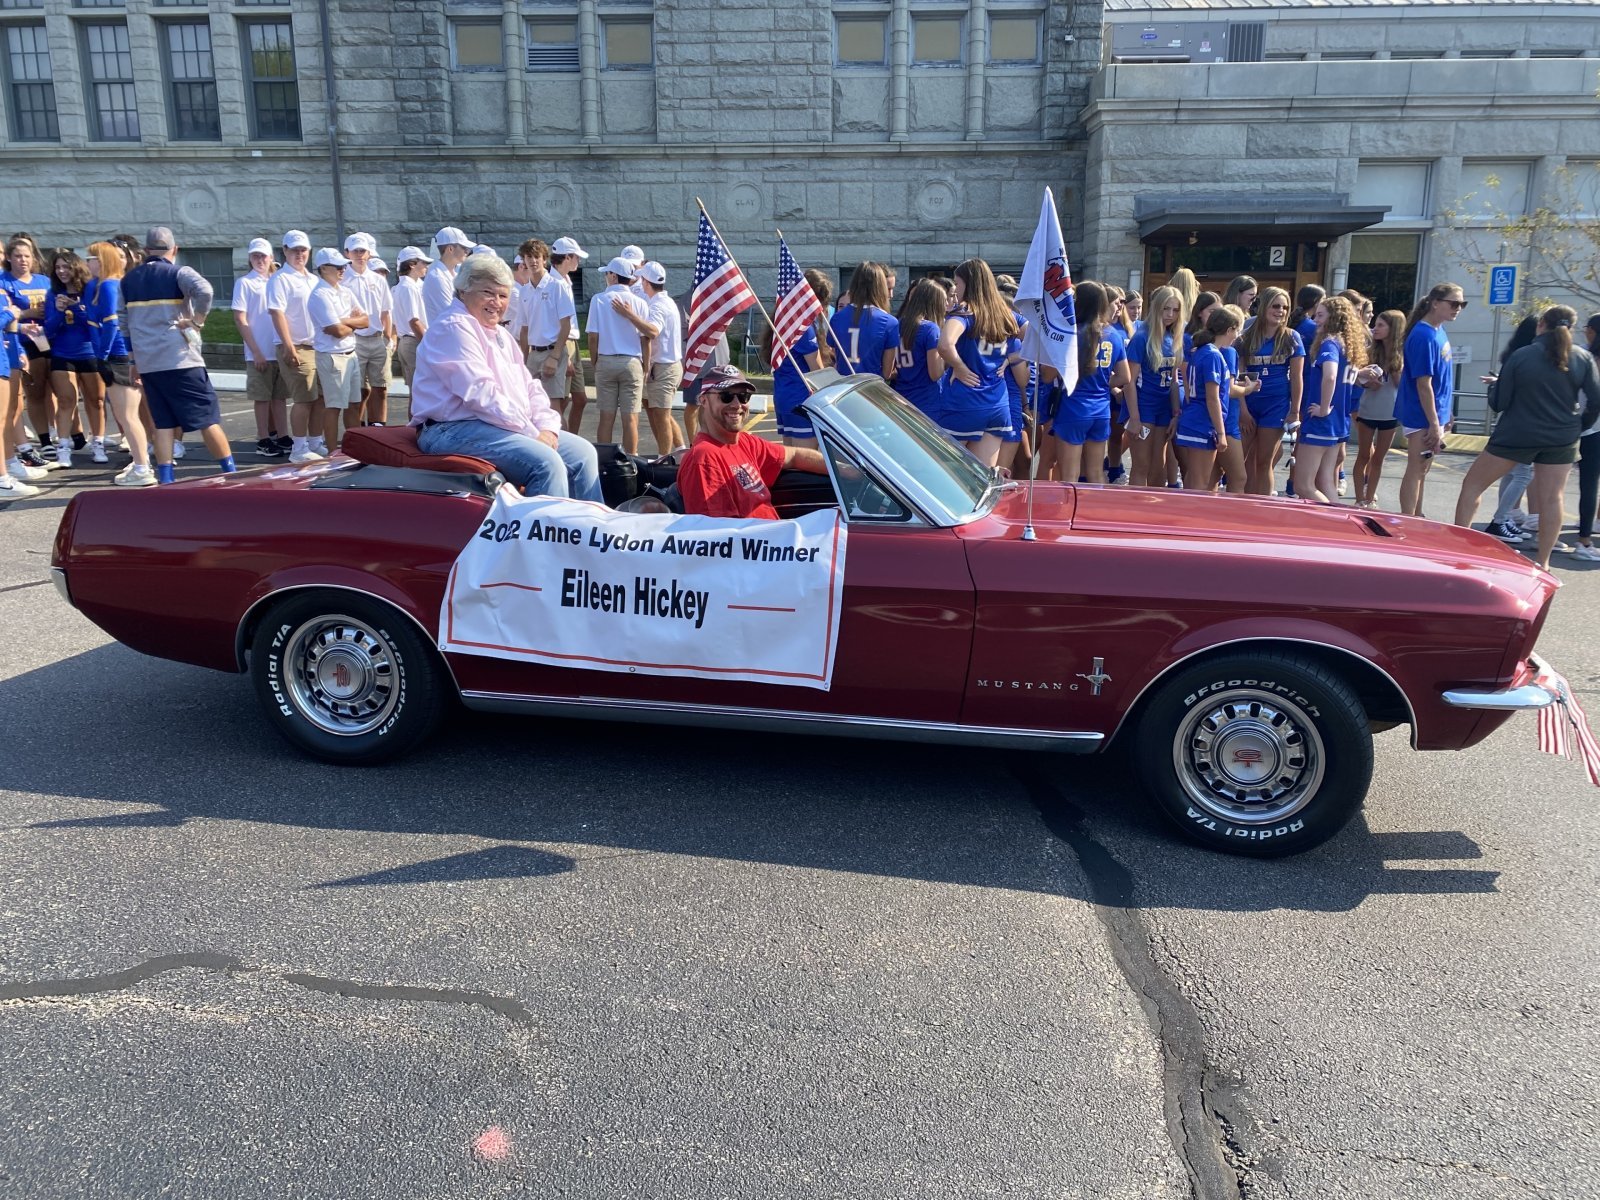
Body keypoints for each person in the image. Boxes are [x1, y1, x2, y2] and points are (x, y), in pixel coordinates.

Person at [411, 253, 599, 501]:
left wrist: (548, 428)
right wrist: (532, 433)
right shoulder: (454, 327)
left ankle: (586, 524)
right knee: (546, 463)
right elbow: (480, 394)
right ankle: (544, 527)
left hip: (494, 424)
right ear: (463, 291)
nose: (497, 302)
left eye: (503, 295)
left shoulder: (499, 333)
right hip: (450, 428)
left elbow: (530, 387)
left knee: (584, 453)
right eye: (488, 293)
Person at [1454, 306, 1600, 570]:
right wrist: (1579, 426)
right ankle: (1543, 562)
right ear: (1572, 327)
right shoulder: (1582, 357)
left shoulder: (1522, 355)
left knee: (1473, 485)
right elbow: (1595, 400)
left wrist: (1494, 387)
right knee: (1553, 498)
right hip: (1562, 437)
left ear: (1541, 324)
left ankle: (1460, 550)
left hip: (1516, 434)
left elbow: (1500, 402)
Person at [120, 226, 235, 484]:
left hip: (148, 362)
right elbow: (205, 291)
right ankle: (231, 473)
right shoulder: (179, 272)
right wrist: (197, 321)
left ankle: (166, 479)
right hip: (181, 358)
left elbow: (123, 321)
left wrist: (133, 360)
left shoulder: (128, 280)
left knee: (163, 423)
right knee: (207, 419)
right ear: (175, 249)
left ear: (146, 250)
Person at [677, 365, 826, 520]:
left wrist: (840, 470)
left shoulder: (745, 442)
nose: (737, 404)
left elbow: (794, 455)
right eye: (726, 396)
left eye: (743, 396)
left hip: (776, 532)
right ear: (704, 400)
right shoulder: (704, 459)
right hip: (763, 535)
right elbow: (719, 531)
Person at [934, 258, 1018, 469]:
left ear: (969, 283)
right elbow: (1039, 343)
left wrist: (959, 367)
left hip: (965, 402)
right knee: (982, 477)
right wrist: (1009, 360)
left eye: (957, 283)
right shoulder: (1006, 314)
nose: (955, 289)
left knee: (948, 474)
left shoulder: (964, 313)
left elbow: (944, 344)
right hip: (997, 404)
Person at [84, 240, 153, 486]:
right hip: (119, 355)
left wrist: (102, 355)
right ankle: (141, 462)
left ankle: (142, 468)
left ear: (102, 261)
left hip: (117, 356)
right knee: (129, 415)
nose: (88, 263)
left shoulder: (109, 286)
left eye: (92, 259)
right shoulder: (104, 285)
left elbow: (112, 323)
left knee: (128, 416)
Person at [1396, 281, 1466, 517]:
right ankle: (1408, 518)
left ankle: (1417, 515)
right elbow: (1423, 384)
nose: (1458, 308)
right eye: (1454, 303)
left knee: (1423, 468)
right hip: (1421, 413)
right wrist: (1434, 423)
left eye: (1462, 304)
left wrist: (1446, 413)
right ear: (1435, 303)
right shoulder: (1423, 335)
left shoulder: (1438, 331)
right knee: (1416, 467)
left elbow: (1442, 380)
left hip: (1435, 412)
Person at [1054, 280, 1131, 485]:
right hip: (1101, 409)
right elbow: (1124, 377)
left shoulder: (1071, 334)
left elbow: (1047, 374)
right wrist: (1103, 382)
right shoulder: (1113, 334)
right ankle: (1096, 506)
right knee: (1096, 473)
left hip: (1073, 407)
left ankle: (1070, 507)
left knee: (1069, 476)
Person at [1294, 295, 1367, 505]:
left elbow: (1331, 375)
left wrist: (1324, 407)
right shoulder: (1348, 345)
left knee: (1303, 485)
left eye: (1320, 315)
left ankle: (1336, 519)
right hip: (1339, 421)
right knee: (1325, 481)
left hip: (1322, 422)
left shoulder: (1330, 343)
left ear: (1334, 317)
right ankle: (1340, 518)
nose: (1315, 320)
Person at [1236, 286, 1303, 496]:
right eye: (1275, 306)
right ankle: (1241, 504)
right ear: (1264, 306)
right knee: (1240, 461)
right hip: (1249, 405)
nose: (1280, 311)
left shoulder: (1292, 337)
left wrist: (1295, 411)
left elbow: (1297, 377)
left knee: (1264, 461)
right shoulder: (1245, 337)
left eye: (1285, 307)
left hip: (1276, 406)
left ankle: (1262, 506)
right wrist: (1243, 410)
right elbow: (1238, 377)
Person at [265, 229, 324, 461]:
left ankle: (315, 442)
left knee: (320, 398)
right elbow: (277, 313)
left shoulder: (313, 279)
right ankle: (298, 448)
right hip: (296, 346)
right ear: (285, 251)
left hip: (317, 346)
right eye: (294, 250)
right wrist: (288, 347)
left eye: (303, 250)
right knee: (304, 398)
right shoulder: (280, 279)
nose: (299, 254)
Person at [586, 256, 651, 454]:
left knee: (606, 417)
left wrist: (595, 361)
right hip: (631, 361)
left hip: (606, 360)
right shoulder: (640, 302)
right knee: (630, 418)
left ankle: (605, 461)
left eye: (607, 273)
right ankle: (631, 461)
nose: (606, 276)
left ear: (613, 276)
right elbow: (645, 339)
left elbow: (593, 337)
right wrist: (646, 366)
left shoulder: (598, 299)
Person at [306, 247, 368, 452]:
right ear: (323, 268)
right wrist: (351, 322)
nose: (343, 270)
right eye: (338, 266)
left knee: (353, 404)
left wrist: (344, 320)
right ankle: (332, 452)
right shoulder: (319, 295)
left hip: (350, 353)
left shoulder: (345, 291)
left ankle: (354, 450)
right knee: (333, 407)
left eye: (344, 266)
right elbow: (337, 331)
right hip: (332, 356)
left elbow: (366, 320)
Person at [1176, 305, 1244, 492]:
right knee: (1200, 483)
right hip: (1202, 422)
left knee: (1194, 479)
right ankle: (1191, 512)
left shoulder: (1201, 351)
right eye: (1236, 331)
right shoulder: (1212, 355)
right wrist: (1221, 433)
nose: (1237, 336)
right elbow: (1212, 398)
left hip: (1195, 418)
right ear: (1229, 330)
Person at [231, 237, 289, 458]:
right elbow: (240, 318)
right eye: (255, 256)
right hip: (259, 349)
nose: (259, 260)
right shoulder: (245, 283)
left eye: (263, 256)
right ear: (250, 258)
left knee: (280, 397)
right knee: (262, 397)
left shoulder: (277, 281)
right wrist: (255, 351)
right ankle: (263, 438)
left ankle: (282, 435)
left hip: (278, 349)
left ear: (271, 257)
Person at [42, 250, 100, 468]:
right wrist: (58, 311)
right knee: (66, 400)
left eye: (66, 267)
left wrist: (76, 308)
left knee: (96, 400)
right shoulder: (53, 293)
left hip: (90, 352)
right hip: (62, 353)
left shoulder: (90, 290)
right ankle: (64, 447)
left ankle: (98, 443)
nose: (61, 271)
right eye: (58, 267)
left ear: (76, 268)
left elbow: (95, 324)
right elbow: (48, 330)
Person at [766, 267, 834, 448]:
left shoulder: (783, 322)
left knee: (790, 456)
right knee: (805, 459)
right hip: (801, 400)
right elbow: (818, 373)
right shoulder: (803, 329)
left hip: (783, 396)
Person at [1126, 284, 1186, 488]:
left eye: (1175, 310)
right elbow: (1129, 381)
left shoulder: (1174, 338)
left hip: (1164, 407)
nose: (1170, 314)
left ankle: (1154, 506)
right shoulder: (1141, 337)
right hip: (1143, 408)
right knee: (1141, 464)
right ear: (1156, 307)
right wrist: (1134, 418)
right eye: (1166, 308)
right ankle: (1135, 505)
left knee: (1158, 465)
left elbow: (1175, 380)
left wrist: (1176, 413)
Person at [1351, 309, 1406, 511]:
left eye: (1381, 325)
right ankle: (1359, 498)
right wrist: (1367, 383)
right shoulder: (1369, 351)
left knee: (1378, 458)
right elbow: (1356, 379)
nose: (1375, 328)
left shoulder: (1402, 355)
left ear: (1393, 329)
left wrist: (1396, 369)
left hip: (1390, 413)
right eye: (1375, 324)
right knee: (1364, 455)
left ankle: (1370, 496)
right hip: (1368, 410)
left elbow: (1402, 385)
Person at [342, 232, 394, 426]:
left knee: (380, 387)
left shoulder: (378, 279)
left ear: (369, 253)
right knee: (356, 392)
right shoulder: (342, 279)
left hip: (377, 338)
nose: (359, 255)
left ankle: (377, 428)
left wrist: (387, 338)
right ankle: (356, 432)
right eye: (355, 251)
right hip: (354, 340)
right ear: (347, 253)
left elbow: (386, 311)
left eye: (363, 251)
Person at [634, 261, 685, 455]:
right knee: (658, 412)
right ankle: (679, 450)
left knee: (661, 415)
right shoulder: (665, 301)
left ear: (646, 282)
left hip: (664, 368)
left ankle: (664, 458)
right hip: (665, 366)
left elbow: (653, 331)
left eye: (642, 279)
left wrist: (630, 315)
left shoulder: (658, 306)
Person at [829, 262, 898, 378]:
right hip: (871, 386)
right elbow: (887, 373)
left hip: (844, 384)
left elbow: (833, 355)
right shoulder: (890, 322)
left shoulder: (837, 318)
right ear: (880, 286)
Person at [547, 235, 587, 431]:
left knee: (580, 398)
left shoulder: (565, 280)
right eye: (576, 257)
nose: (578, 260)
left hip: (572, 343)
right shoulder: (553, 283)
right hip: (564, 343)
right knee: (561, 399)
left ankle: (573, 438)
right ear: (567, 257)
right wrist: (564, 355)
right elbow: (555, 322)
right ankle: (558, 436)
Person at [1570, 314, 1600, 560]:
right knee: (1589, 485)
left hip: (1583, 426)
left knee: (1587, 484)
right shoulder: (1585, 355)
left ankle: (1585, 539)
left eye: (1587, 328)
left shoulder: (1581, 356)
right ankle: (1585, 540)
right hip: (1591, 427)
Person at [391, 246, 431, 395]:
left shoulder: (402, 287)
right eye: (423, 262)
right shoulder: (408, 287)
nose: (426, 266)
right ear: (412, 264)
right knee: (421, 392)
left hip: (409, 341)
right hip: (415, 341)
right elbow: (414, 320)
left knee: (416, 392)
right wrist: (427, 344)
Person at [422, 226, 472, 325]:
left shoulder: (454, 273)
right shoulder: (437, 277)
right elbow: (452, 313)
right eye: (464, 247)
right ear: (450, 249)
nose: (467, 251)